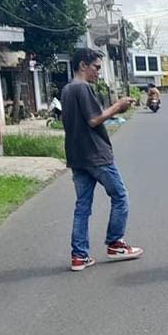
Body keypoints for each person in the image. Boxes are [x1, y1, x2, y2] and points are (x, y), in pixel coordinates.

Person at [61, 48, 144, 272]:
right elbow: (94, 120)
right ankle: (115, 243)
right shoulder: (82, 88)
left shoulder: (67, 89)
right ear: (82, 66)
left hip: (76, 156)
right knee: (120, 195)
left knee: (82, 207)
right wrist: (118, 107)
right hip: (95, 155)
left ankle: (79, 256)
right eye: (96, 67)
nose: (98, 72)